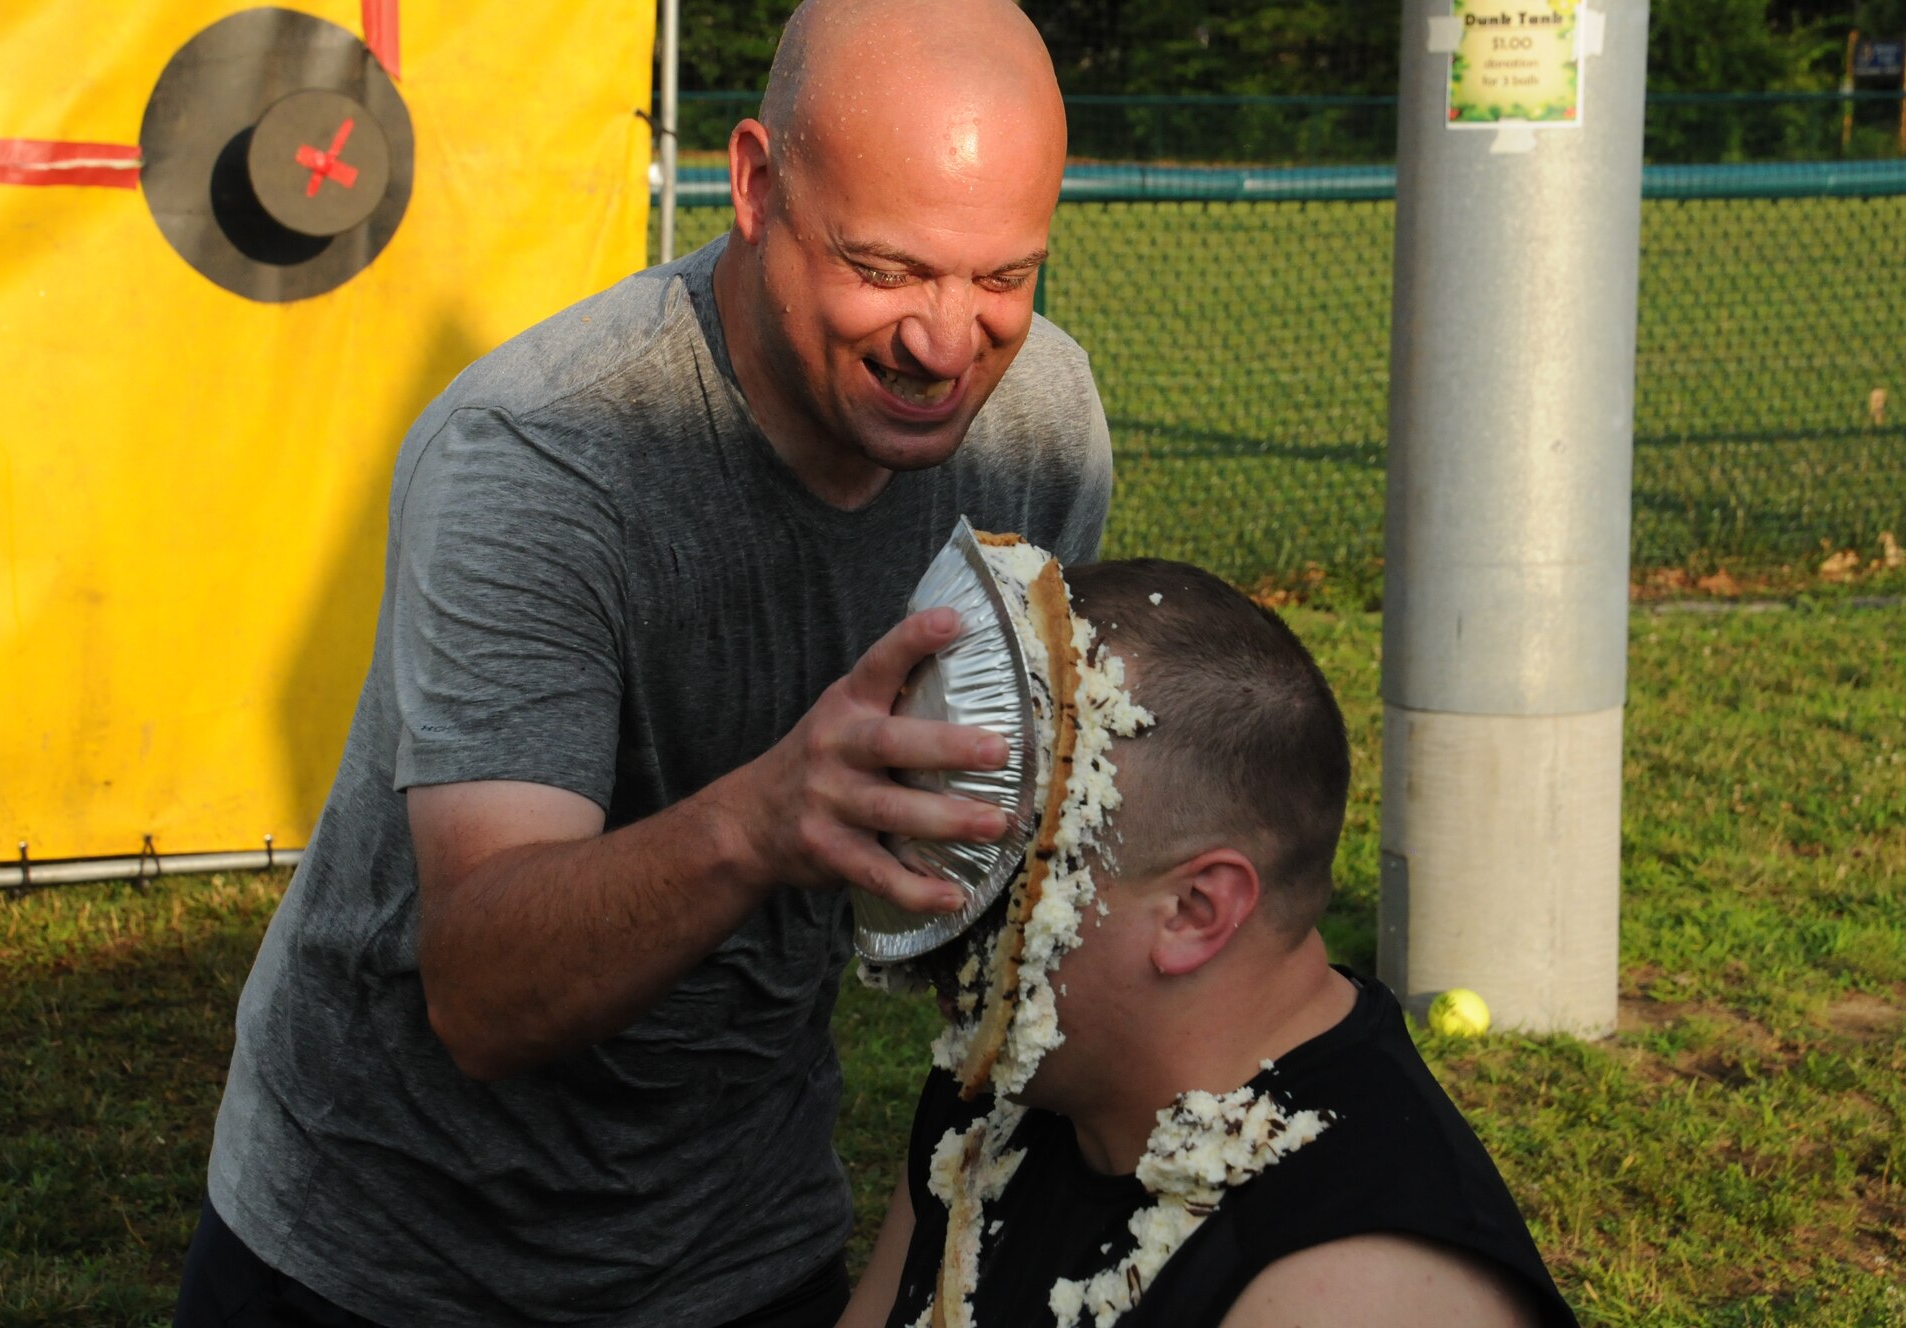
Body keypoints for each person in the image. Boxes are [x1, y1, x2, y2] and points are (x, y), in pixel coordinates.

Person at [175, 2, 1111, 1325]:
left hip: (742, 1226)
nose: (948, 342)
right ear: (754, 183)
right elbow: (483, 996)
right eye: (889, 270)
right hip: (387, 1251)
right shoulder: (546, 455)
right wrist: (771, 817)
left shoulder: (1043, 431)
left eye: (1004, 279)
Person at [841, 560, 1581, 1328]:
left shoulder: (1350, 1291)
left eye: (999, 881)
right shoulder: (999, 1099)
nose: (939, 926)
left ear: (1196, 910)